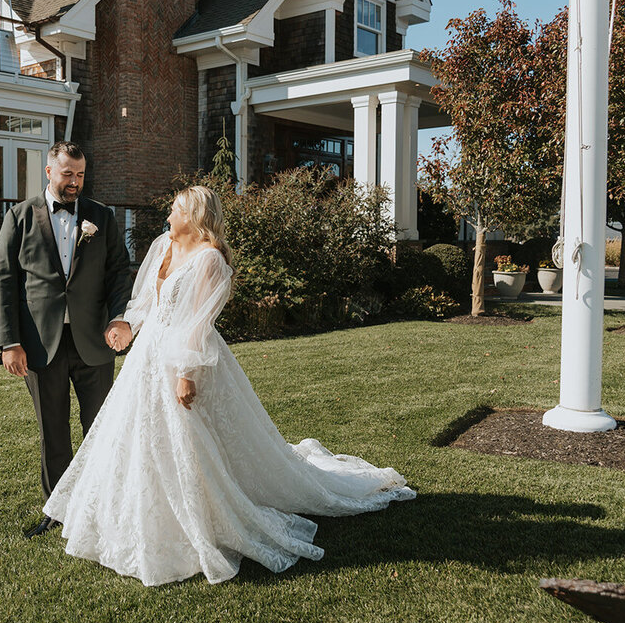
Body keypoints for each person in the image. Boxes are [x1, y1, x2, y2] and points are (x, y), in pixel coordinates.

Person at [42, 186, 415, 585]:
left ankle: (196, 519)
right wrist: (128, 327)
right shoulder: (164, 244)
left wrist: (186, 372)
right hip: (147, 357)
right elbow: (149, 302)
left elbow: (198, 323)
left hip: (184, 357)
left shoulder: (210, 260)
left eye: (175, 208)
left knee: (188, 439)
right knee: (136, 435)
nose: (168, 213)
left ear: (194, 215)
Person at [0, 141, 134, 539]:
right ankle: (59, 510)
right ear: (49, 172)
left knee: (100, 429)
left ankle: (102, 505)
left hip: (94, 341)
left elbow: (119, 273)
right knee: (53, 431)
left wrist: (118, 318)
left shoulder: (102, 218)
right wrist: (10, 342)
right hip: (40, 345)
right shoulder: (19, 217)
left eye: (81, 175)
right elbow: (4, 282)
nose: (76, 183)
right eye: (68, 174)